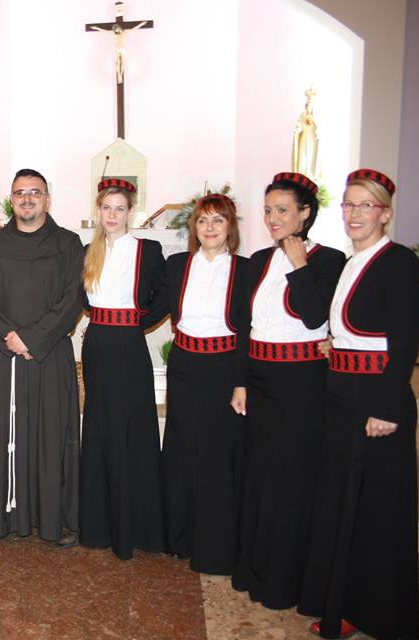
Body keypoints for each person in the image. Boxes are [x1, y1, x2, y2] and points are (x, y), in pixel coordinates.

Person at [298, 169, 419, 640]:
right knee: (342, 507)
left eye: (364, 206)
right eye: (348, 205)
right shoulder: (353, 262)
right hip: (342, 398)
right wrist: (338, 345)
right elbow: (360, 330)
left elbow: (404, 341)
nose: (353, 213)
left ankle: (377, 614)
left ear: (385, 214)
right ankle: (345, 604)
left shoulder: (399, 262)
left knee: (374, 515)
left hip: (376, 404)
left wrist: (388, 408)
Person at [230, 172, 345, 609]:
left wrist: (300, 266)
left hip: (301, 385)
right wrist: (240, 380)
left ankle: (285, 580)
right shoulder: (258, 260)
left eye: (282, 210)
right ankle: (254, 568)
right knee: (258, 479)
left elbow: (316, 318)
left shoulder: (329, 260)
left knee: (291, 483)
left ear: (305, 213)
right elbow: (245, 325)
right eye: (268, 210)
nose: (273, 218)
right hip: (259, 380)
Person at [0, 168, 85, 547]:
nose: (27, 199)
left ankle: (57, 519)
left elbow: (73, 298)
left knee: (53, 436)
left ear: (47, 199)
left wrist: (32, 338)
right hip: (5, 358)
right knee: (3, 434)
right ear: (12, 201)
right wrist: (10, 337)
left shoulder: (69, 243)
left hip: (49, 355)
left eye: (35, 192)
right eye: (20, 193)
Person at [79, 178, 168, 559]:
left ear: (131, 212)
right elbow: (79, 297)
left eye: (119, 208)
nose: (112, 215)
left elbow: (165, 295)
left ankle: (136, 528)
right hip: (98, 343)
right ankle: (99, 526)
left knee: (133, 428)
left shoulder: (148, 250)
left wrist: (140, 320)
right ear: (97, 211)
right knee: (99, 427)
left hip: (129, 346)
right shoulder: (88, 251)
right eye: (106, 208)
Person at [160, 193, 248, 574]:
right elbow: (155, 305)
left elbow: (248, 329)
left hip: (224, 367)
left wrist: (241, 383)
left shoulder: (245, 269)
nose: (209, 228)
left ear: (230, 227)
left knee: (216, 456)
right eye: (202, 221)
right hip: (183, 364)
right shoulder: (178, 264)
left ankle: (214, 545)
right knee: (182, 451)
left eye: (218, 221)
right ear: (193, 228)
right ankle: (178, 537)